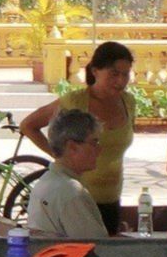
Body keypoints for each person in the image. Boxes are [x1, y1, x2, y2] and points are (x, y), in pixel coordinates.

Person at [20, 41, 135, 235]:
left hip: (112, 196)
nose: (121, 81)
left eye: (126, 74)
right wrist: (62, 156)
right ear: (96, 71)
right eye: (114, 73)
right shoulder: (75, 101)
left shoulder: (128, 102)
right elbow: (28, 125)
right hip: (78, 196)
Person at [27, 109, 112, 239]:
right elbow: (99, 247)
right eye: (94, 142)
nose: (99, 150)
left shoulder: (46, 181)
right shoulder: (71, 192)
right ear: (72, 147)